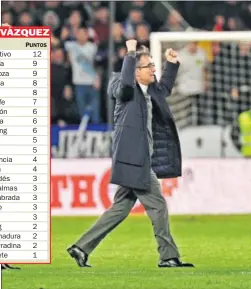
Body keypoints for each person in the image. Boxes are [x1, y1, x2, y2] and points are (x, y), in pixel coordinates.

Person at [67, 40, 194, 268]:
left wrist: (171, 64)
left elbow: (163, 89)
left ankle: (81, 247)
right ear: (135, 71)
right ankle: (168, 256)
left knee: (120, 208)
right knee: (157, 206)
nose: (154, 69)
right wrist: (131, 53)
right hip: (135, 160)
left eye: (154, 65)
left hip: (136, 159)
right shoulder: (123, 87)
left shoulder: (149, 90)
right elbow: (125, 85)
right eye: (149, 66)